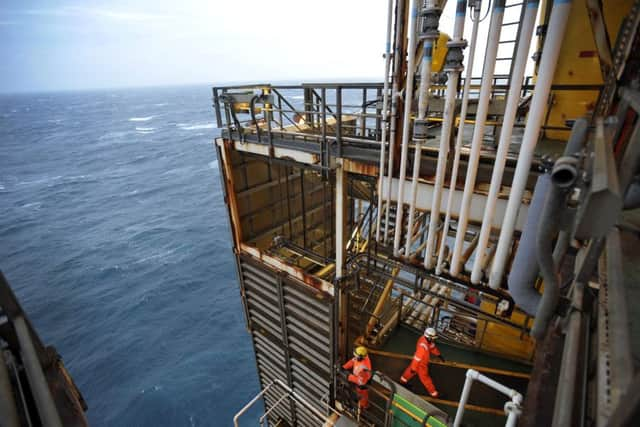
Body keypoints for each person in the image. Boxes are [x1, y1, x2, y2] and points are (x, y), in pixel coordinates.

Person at [400, 327, 444, 397]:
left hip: (417, 363)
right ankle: (434, 393)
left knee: (409, 372)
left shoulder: (425, 339)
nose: (434, 339)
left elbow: (432, 347)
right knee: (425, 379)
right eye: (433, 338)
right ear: (429, 337)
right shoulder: (422, 346)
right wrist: (414, 368)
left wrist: (438, 355)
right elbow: (417, 358)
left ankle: (402, 381)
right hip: (421, 364)